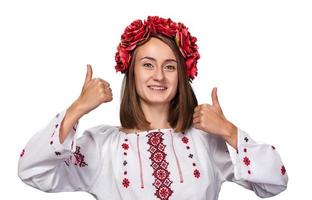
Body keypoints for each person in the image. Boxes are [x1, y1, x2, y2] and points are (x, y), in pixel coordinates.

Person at [18, 16, 288, 200]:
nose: (159, 75)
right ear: (131, 72)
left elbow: (275, 181)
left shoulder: (206, 141)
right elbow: (32, 171)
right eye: (148, 64)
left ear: (181, 76)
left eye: (169, 66)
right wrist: (76, 109)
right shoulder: (102, 146)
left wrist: (229, 132)